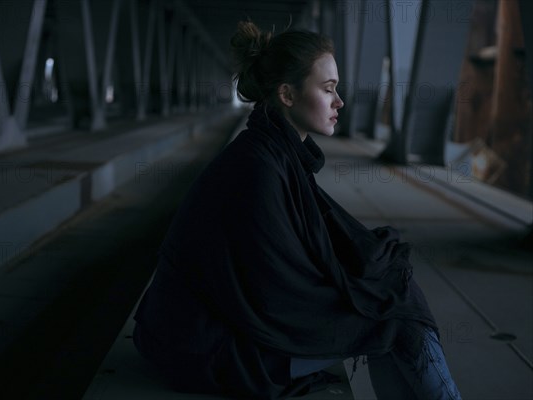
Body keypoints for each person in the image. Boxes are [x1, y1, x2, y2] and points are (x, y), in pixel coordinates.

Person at [133, 20, 462, 400]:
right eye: (328, 89)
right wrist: (371, 304)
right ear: (287, 95)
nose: (340, 102)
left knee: (393, 299)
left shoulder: (276, 153)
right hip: (205, 347)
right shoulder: (257, 168)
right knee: (396, 319)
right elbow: (278, 295)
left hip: (203, 330)